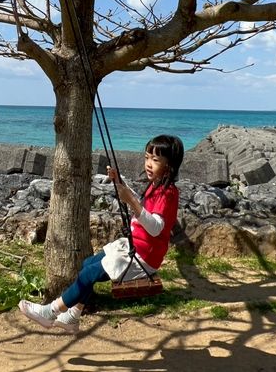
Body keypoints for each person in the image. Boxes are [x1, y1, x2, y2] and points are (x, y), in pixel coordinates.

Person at [18, 134, 184, 334]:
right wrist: (120, 183)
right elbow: (141, 207)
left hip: (143, 257)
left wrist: (130, 200)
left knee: (89, 274)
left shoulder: (168, 193)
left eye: (155, 160)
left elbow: (156, 227)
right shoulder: (156, 186)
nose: (148, 164)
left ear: (169, 165)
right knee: (88, 264)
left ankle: (51, 311)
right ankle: (72, 316)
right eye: (147, 157)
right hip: (134, 246)